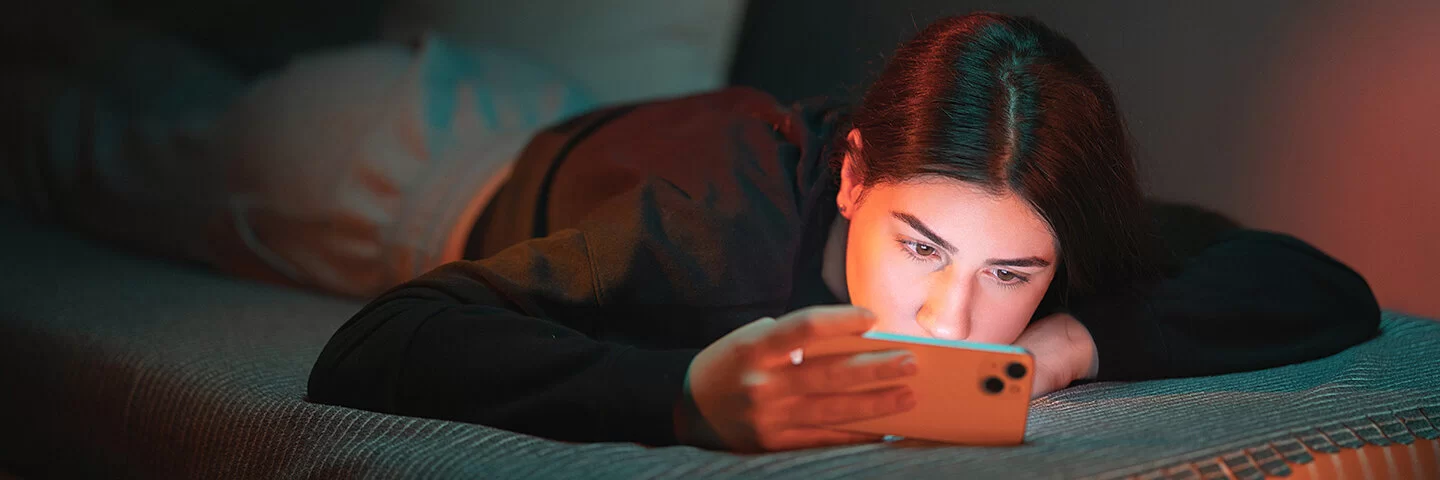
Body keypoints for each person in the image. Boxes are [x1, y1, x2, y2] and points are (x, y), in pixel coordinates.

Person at [1, 11, 1378, 453]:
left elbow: (1318, 284)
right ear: (852, 180)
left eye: (1010, 276)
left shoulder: (1031, 221)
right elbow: (383, 339)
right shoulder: (710, 226)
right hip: (393, 158)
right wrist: (683, 395)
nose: (951, 324)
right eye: (916, 250)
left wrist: (1077, 340)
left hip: (595, 125)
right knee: (85, 137)